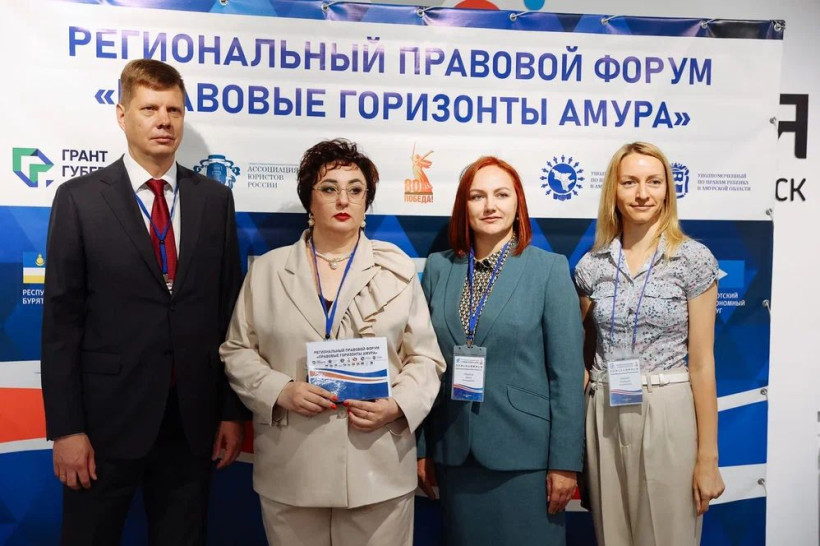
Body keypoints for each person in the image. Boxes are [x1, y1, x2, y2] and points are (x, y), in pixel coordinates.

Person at [41, 59, 247, 546]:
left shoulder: (214, 200)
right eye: (150, 108)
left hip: (191, 422)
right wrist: (66, 430)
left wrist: (230, 411)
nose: (164, 121)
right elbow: (61, 324)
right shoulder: (79, 199)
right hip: (104, 424)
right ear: (121, 114)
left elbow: (230, 316)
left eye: (174, 110)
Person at [219, 138, 445, 546]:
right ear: (309, 200)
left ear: (366, 203)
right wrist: (279, 390)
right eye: (329, 188)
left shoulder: (396, 269)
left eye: (355, 190)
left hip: (377, 465)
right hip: (292, 467)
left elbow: (426, 359)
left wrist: (397, 405)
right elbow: (237, 350)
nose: (343, 199)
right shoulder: (268, 271)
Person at [417, 156, 585, 545]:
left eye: (501, 194)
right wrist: (422, 447)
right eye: (477, 196)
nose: (490, 206)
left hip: (527, 459)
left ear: (518, 203)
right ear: (463, 206)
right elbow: (424, 364)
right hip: (454, 454)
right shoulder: (440, 268)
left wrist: (565, 462)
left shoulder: (548, 269)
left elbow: (566, 375)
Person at [575, 142, 725, 546]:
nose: (642, 193)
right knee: (612, 536)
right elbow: (583, 358)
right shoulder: (591, 266)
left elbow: (702, 364)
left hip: (668, 408)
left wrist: (708, 457)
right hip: (604, 409)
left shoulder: (693, 259)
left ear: (667, 190)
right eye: (630, 182)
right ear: (614, 191)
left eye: (654, 182)